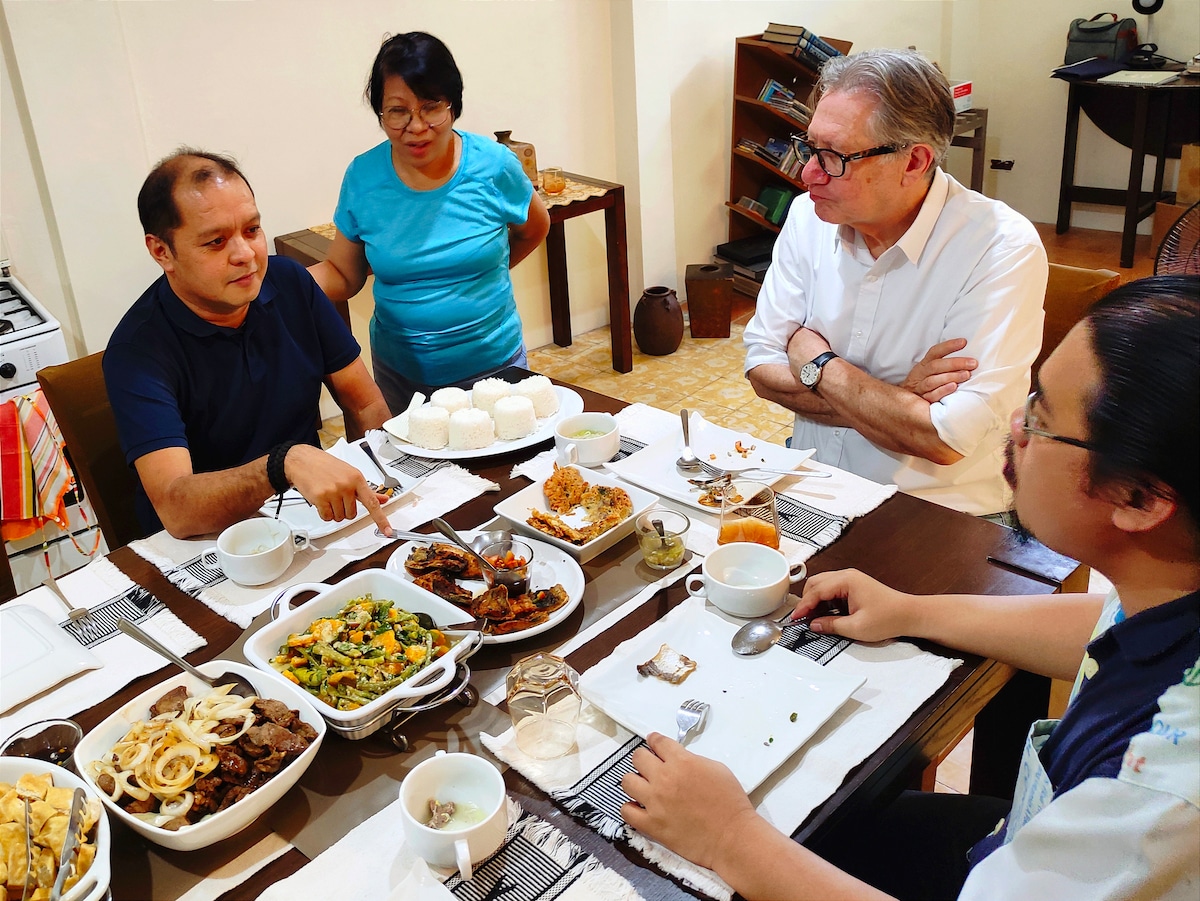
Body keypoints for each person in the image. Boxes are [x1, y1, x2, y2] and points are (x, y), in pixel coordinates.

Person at [622, 275, 1200, 900]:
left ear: (1140, 498)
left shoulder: (1153, 798)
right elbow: (1106, 626)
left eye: (1042, 414)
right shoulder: (1169, 591)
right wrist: (910, 611)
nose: (1016, 423)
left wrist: (728, 837)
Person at [743, 49, 1048, 517]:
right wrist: (901, 397)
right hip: (814, 486)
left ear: (914, 161)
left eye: (835, 157)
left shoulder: (1000, 248)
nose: (807, 174)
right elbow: (762, 368)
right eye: (809, 147)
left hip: (938, 511)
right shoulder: (809, 217)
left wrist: (817, 361)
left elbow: (946, 438)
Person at [105, 149, 394, 540]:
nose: (245, 255)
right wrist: (281, 464)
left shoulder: (290, 283)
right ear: (162, 251)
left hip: (307, 519)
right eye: (216, 241)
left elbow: (364, 403)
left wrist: (390, 483)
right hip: (210, 545)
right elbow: (177, 508)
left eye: (252, 230)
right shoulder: (137, 350)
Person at [309, 31, 551, 413]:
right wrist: (282, 284)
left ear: (453, 105)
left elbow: (535, 227)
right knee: (415, 471)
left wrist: (484, 277)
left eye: (431, 106)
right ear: (380, 113)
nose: (416, 126)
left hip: (496, 368)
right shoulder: (363, 177)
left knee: (507, 471)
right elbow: (344, 272)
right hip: (402, 375)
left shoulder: (494, 165)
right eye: (398, 111)